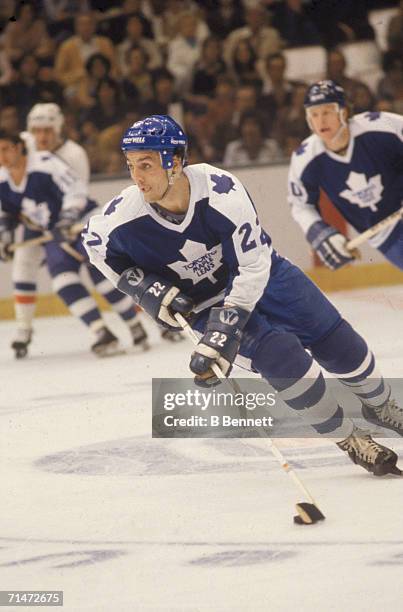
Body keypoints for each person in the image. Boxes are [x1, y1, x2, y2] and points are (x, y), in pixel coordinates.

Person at [83, 114, 403, 477]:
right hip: (204, 304)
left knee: (339, 343)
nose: (137, 177)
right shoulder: (120, 219)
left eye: (146, 164)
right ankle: (350, 437)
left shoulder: (221, 190)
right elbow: (94, 247)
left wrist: (226, 329)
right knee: (283, 357)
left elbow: (251, 268)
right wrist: (144, 289)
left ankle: (382, 405)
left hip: (265, 276)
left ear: (175, 161)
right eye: (131, 166)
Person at [0, 123, 148, 358]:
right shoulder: (2, 179)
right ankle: (101, 332)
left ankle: (134, 325)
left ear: (19, 148)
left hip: (83, 222)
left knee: (100, 274)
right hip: (54, 234)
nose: (2, 156)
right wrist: (5, 235)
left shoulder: (45, 164)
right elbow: (7, 211)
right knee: (62, 280)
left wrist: (67, 217)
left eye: (6, 149)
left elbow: (76, 189)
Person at [288, 80, 403, 271]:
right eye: (314, 114)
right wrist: (321, 234)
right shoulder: (305, 158)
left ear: (344, 111)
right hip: (387, 235)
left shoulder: (380, 126)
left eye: (327, 111)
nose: (321, 120)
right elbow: (300, 206)